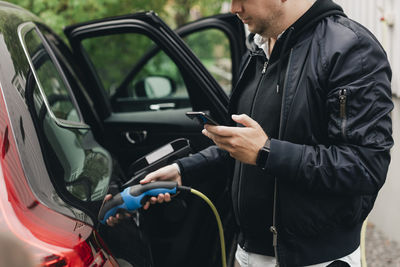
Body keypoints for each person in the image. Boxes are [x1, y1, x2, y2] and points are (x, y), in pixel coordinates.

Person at [107, 0, 394, 266]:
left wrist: (267, 152)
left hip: (313, 260)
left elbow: (365, 167)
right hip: (248, 252)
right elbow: (245, 146)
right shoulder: (259, 50)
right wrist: (183, 170)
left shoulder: (351, 50)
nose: (234, 8)